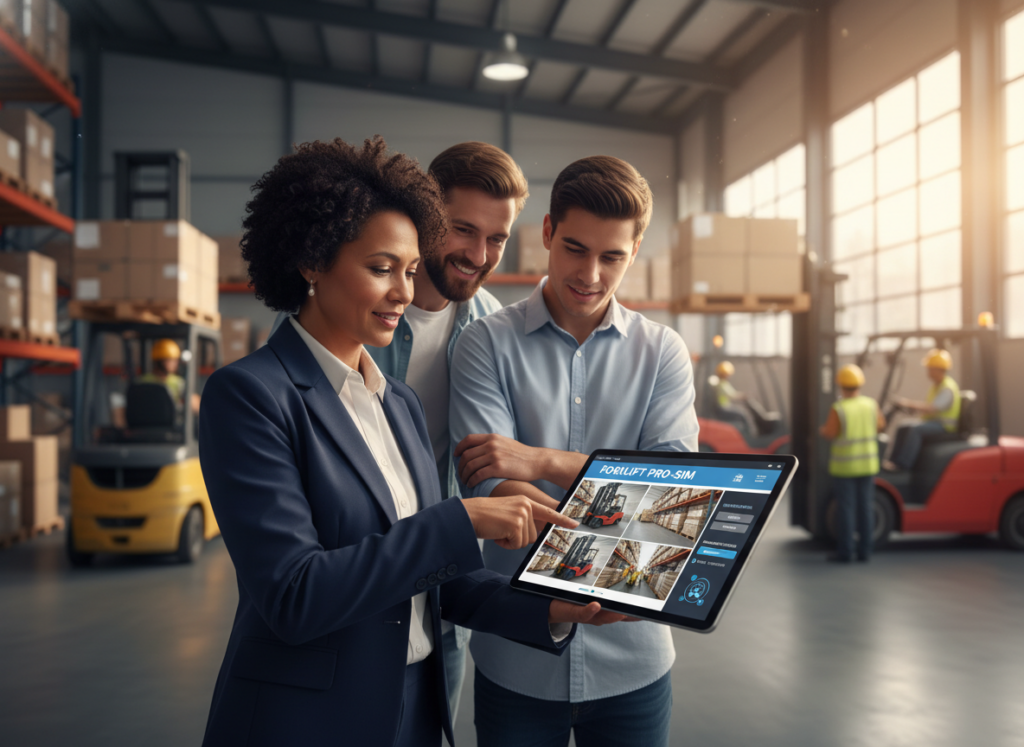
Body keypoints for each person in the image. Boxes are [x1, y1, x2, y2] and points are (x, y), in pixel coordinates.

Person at [197, 137, 626, 747]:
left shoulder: (397, 405)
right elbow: (295, 594)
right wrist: (461, 519)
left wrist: (555, 609)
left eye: (407, 269)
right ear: (312, 262)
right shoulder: (250, 396)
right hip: (311, 719)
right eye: (381, 269)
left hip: (414, 710)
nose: (403, 292)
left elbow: (437, 580)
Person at [268, 140, 528, 719]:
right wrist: (457, 524)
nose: (479, 254)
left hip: (435, 588)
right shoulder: (312, 347)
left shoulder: (487, 335)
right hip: (345, 597)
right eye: (463, 229)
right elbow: (295, 581)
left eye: (498, 239)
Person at [449, 155, 700, 747]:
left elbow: (674, 493)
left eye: (612, 256)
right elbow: (489, 484)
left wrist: (542, 461)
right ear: (546, 234)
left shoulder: (663, 352)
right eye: (575, 249)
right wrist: (627, 508)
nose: (590, 273)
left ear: (633, 251)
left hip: (634, 658)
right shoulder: (485, 343)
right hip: (517, 659)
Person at [820, 364, 886, 563]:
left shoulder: (839, 408)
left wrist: (820, 430)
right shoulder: (870, 404)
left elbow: (830, 433)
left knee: (846, 509)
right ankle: (865, 551)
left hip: (845, 467)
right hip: (867, 465)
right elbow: (880, 425)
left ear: (841, 385)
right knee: (865, 507)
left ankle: (845, 552)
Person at [883, 348, 960, 472]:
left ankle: (904, 465)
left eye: (930, 368)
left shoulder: (947, 388)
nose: (928, 372)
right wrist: (910, 407)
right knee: (904, 426)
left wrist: (908, 404)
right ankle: (893, 461)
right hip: (935, 423)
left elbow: (932, 408)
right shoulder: (937, 386)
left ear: (938, 369)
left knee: (915, 430)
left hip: (944, 426)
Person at [137, 338, 200, 414]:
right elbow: (196, 405)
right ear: (162, 362)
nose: (176, 363)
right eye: (172, 360)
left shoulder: (140, 381)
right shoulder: (177, 382)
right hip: (170, 423)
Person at [714, 360, 755, 434]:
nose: (728, 375)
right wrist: (743, 396)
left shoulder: (724, 383)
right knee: (743, 414)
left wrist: (742, 395)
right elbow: (732, 395)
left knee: (742, 411)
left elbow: (733, 393)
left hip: (726, 406)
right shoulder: (721, 384)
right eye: (726, 374)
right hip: (723, 408)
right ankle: (750, 433)